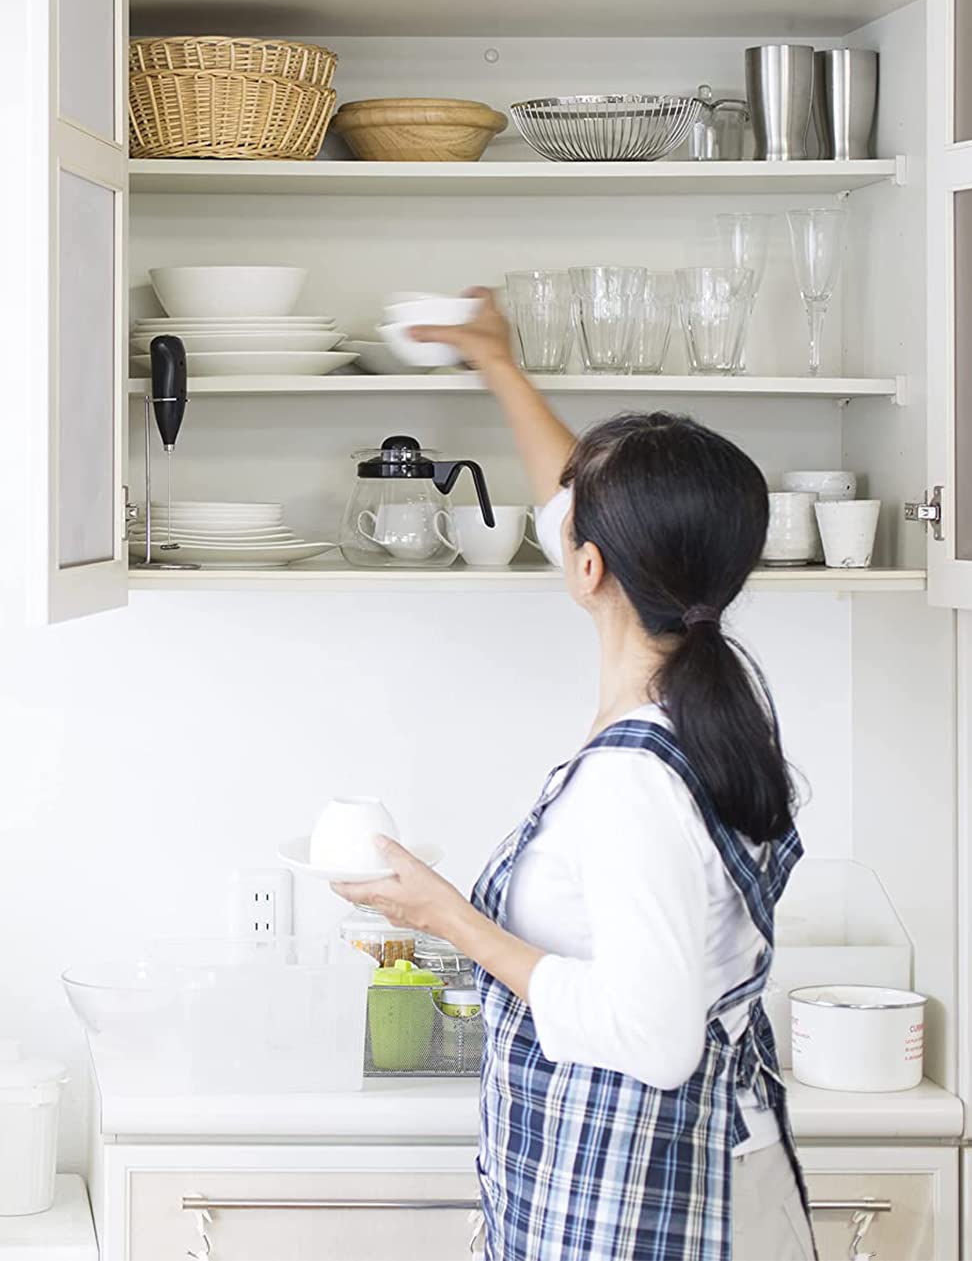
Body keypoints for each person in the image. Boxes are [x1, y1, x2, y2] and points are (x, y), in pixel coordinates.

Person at [334, 289, 816, 1261]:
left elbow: (652, 1036)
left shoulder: (630, 779)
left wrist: (447, 918)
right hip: (715, 1177)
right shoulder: (719, 704)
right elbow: (576, 507)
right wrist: (497, 363)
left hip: (649, 1207)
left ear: (589, 566)